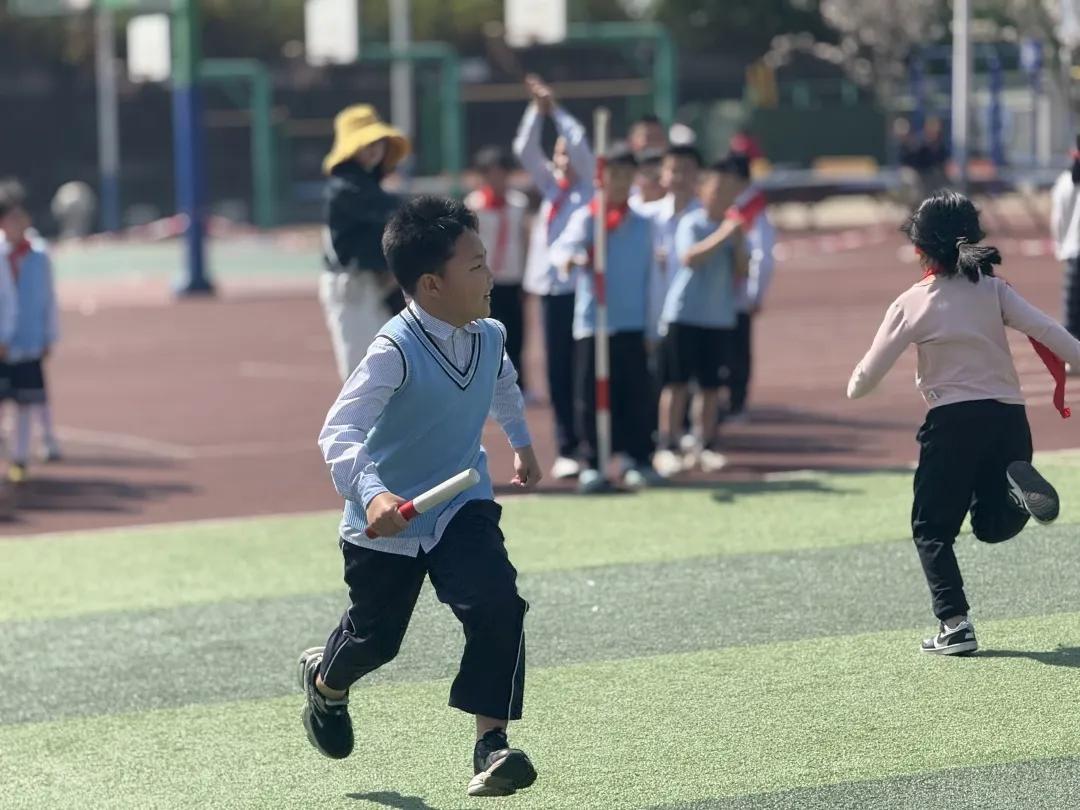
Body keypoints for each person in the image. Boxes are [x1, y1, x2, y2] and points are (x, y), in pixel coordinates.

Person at [301, 196, 543, 797]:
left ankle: (491, 744)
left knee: (497, 603)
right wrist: (373, 494)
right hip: (386, 522)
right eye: (476, 266)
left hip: (461, 501)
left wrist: (521, 443)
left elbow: (504, 384)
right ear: (432, 284)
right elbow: (339, 430)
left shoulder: (490, 334)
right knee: (376, 641)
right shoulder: (394, 349)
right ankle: (326, 685)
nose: (490, 276)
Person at [848, 190, 1080, 655]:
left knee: (931, 528)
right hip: (1009, 420)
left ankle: (954, 624)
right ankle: (1014, 492)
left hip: (952, 423)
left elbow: (865, 379)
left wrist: (854, 385)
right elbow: (1051, 333)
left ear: (919, 249)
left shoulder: (912, 303)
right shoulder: (994, 289)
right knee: (991, 525)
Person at [549, 144, 660, 493]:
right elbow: (561, 249)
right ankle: (594, 463)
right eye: (615, 175)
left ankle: (636, 458)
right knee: (592, 396)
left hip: (632, 323)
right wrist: (572, 259)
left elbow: (652, 278)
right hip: (593, 323)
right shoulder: (589, 218)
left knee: (635, 395)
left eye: (628, 175)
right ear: (603, 177)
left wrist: (652, 325)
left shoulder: (643, 223)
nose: (621, 182)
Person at [514, 74, 595, 480]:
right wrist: (537, 111)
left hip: (581, 291)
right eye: (557, 154)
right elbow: (524, 149)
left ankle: (589, 442)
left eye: (567, 153)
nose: (562, 159)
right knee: (557, 370)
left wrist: (556, 110)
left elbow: (579, 141)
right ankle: (567, 446)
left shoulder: (589, 191)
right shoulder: (550, 188)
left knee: (584, 369)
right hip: (551, 293)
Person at [654, 159, 747, 476]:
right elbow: (690, 258)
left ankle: (704, 443)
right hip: (685, 315)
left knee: (710, 387)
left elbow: (742, 270)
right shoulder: (691, 222)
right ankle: (667, 445)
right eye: (718, 190)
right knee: (677, 383)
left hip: (718, 318)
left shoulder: (734, 229)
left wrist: (738, 242)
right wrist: (724, 234)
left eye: (730, 191)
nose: (724, 197)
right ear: (703, 192)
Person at [320, 104, 411, 381]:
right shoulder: (344, 187)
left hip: (375, 284)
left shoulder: (370, 186)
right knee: (361, 374)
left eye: (378, 142)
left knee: (390, 367)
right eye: (366, 143)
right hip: (351, 285)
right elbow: (381, 209)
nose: (374, 149)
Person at [0, 179, 60, 483]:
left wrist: (50, 334)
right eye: (11, 218)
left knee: (27, 401)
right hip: (3, 345)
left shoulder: (39, 254)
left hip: (28, 342)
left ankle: (21, 458)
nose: (17, 223)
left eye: (21, 217)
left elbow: (49, 298)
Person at [466, 146, 530, 389]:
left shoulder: (518, 203)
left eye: (501, 173)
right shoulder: (474, 204)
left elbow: (523, 239)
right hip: (486, 279)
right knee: (485, 331)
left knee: (515, 332)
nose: (496, 178)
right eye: (490, 173)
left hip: (512, 276)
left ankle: (517, 382)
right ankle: (485, 382)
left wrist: (526, 274)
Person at [721, 154, 775, 422]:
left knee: (737, 354)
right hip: (720, 295)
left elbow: (763, 258)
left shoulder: (753, 210)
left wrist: (755, 294)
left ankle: (736, 404)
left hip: (738, 296)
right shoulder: (732, 206)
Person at [1050, 135, 1080, 353]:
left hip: (1074, 252)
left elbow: (1058, 220)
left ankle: (1072, 358)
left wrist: (1061, 246)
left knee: (1073, 314)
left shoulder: (1064, 182)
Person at [629, 148, 666, 213]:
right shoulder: (629, 204)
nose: (653, 181)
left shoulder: (671, 206)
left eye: (658, 176)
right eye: (648, 173)